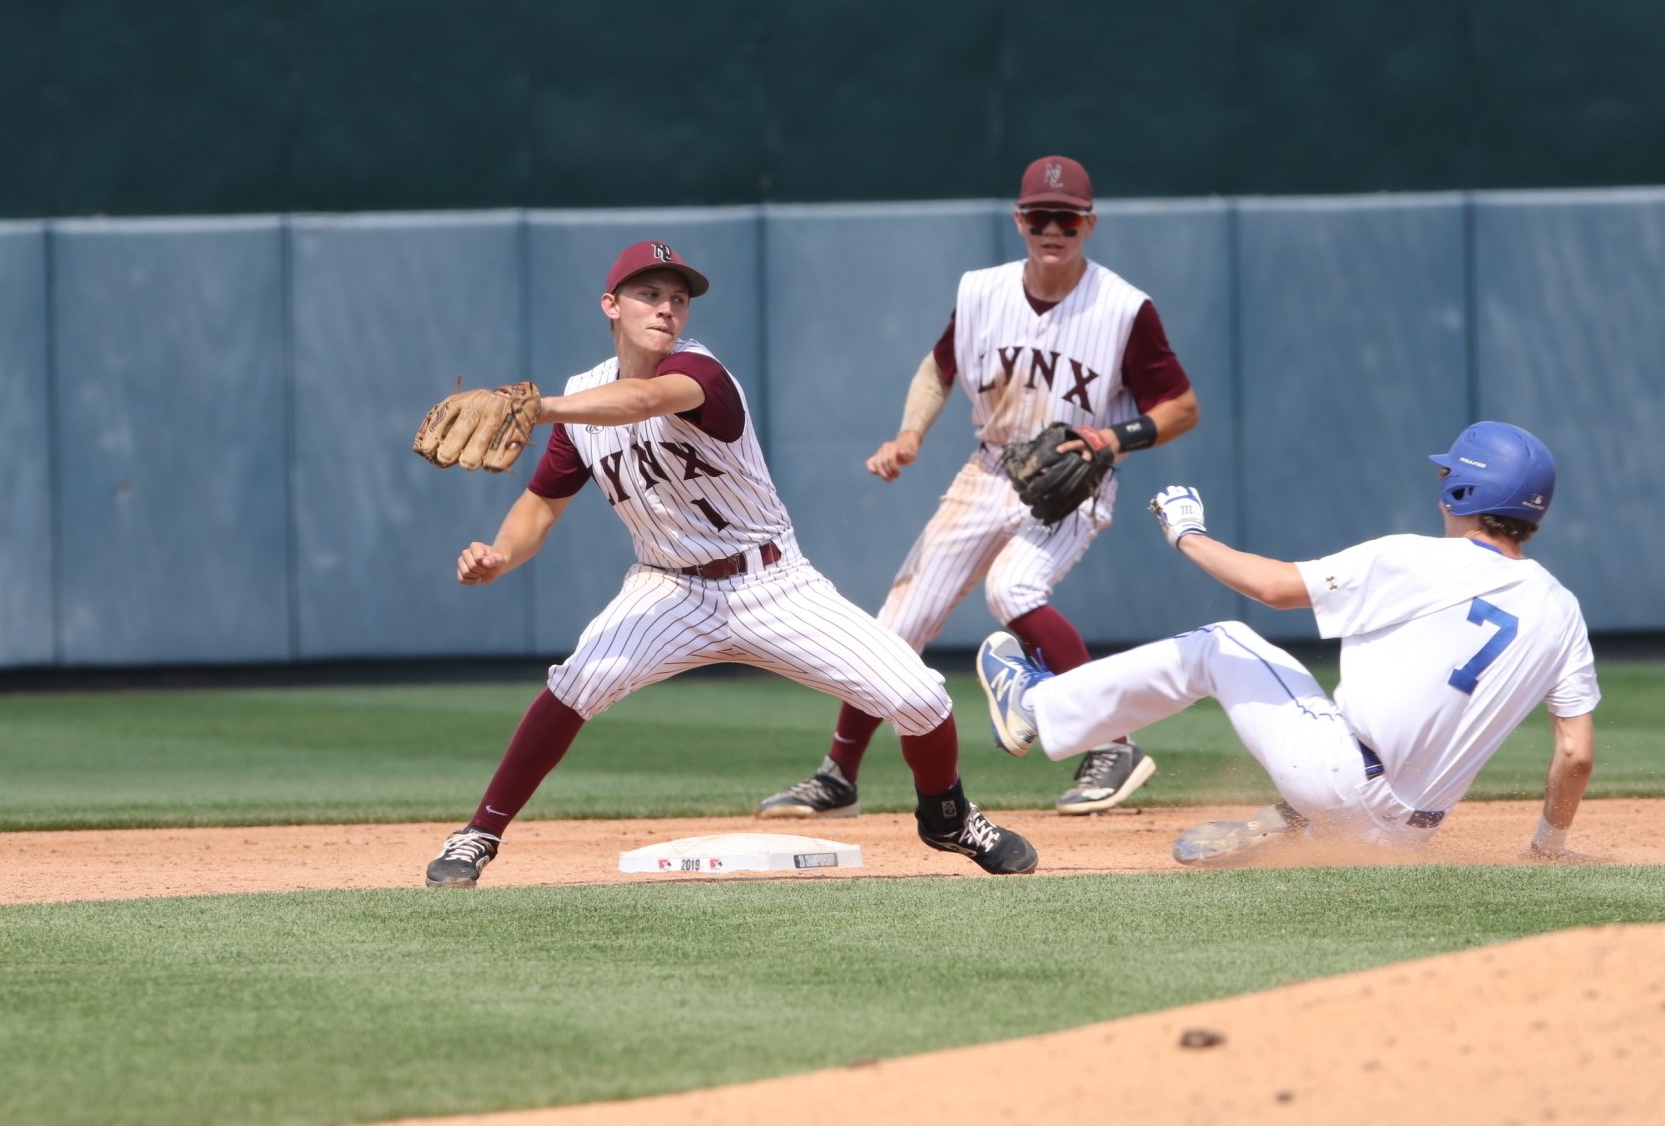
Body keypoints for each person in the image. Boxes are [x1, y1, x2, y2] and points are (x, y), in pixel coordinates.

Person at [424, 239, 1037, 887]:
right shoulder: (581, 402)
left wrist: (539, 408)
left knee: (921, 697)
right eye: (649, 294)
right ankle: (478, 834)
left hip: (771, 583)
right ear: (611, 305)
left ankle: (947, 816)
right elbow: (540, 508)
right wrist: (499, 555)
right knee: (574, 685)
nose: (666, 308)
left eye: (677, 298)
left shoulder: (700, 373)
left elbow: (641, 401)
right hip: (666, 590)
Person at [757, 155, 1202, 821]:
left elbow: (1182, 407)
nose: (1054, 229)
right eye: (1040, 216)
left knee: (1013, 588)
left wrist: (1117, 438)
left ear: (1090, 223)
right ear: (1020, 220)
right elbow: (938, 372)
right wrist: (910, 437)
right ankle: (838, 777)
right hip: (989, 469)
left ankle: (1112, 744)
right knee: (894, 626)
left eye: (1068, 218)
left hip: (1073, 480)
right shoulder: (982, 293)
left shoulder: (1124, 308)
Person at [976, 421, 1599, 862]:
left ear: (1464, 491)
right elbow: (1576, 753)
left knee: (1221, 643)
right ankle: (1295, 828)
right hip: (1409, 835)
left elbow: (1273, 587)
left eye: (1449, 474)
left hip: (1337, 777)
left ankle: (1036, 708)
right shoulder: (1562, 610)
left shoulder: (1417, 559)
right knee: (1348, 722)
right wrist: (1549, 848)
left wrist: (1187, 533)